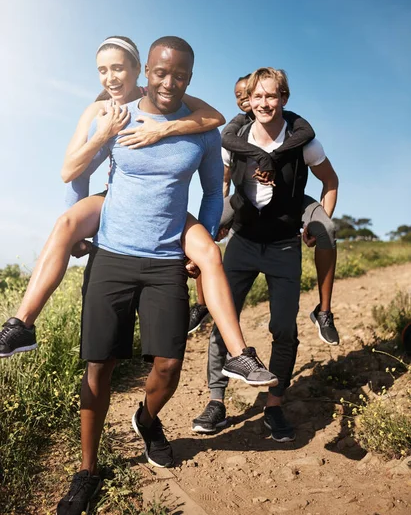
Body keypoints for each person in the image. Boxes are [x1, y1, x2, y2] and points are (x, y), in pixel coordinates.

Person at [55, 38, 276, 514]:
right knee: (100, 368)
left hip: (164, 261)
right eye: (160, 73)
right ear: (146, 73)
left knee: (169, 365)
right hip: (112, 255)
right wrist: (75, 222)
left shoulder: (200, 130)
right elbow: (78, 171)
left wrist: (205, 238)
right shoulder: (118, 115)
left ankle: (147, 418)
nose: (169, 82)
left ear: (190, 79)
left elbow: (212, 194)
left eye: (179, 75)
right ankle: (87, 470)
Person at [0, 38, 274, 390]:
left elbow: (214, 117)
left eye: (118, 68)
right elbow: (74, 172)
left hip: (168, 207)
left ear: (137, 71)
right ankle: (22, 324)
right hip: (117, 198)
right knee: (66, 223)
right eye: (103, 70)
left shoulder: (162, 92)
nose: (111, 78)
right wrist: (82, 219)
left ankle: (239, 354)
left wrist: (164, 128)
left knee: (208, 251)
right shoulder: (101, 111)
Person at [192, 67, 339, 440]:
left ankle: (274, 407)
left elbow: (331, 182)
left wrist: (316, 224)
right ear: (249, 100)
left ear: (284, 99)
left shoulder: (305, 144)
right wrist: (220, 218)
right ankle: (216, 401)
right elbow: (221, 184)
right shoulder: (235, 139)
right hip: (242, 240)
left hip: (284, 245)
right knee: (223, 323)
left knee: (283, 330)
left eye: (271, 96)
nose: (263, 103)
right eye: (257, 96)